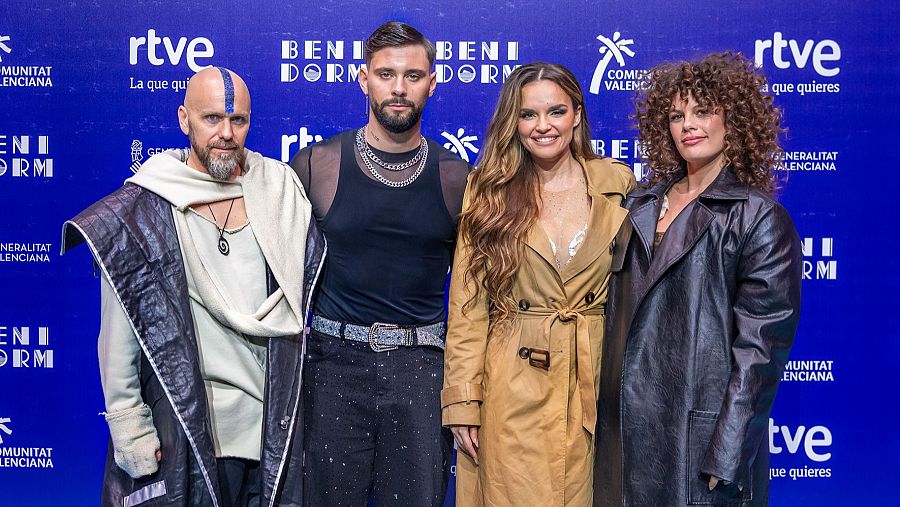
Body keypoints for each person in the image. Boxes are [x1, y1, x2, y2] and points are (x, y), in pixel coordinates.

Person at [62, 67, 323, 507]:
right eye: (211, 119)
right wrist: (129, 425)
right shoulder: (142, 209)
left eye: (238, 120)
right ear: (184, 119)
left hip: (270, 434)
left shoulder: (278, 194)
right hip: (185, 430)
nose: (226, 133)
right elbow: (119, 331)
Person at [594, 51, 802, 506]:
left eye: (703, 111)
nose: (688, 124)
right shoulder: (638, 205)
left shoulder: (758, 217)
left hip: (697, 450)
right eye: (676, 115)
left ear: (735, 119)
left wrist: (727, 455)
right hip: (623, 443)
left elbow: (759, 355)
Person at [289, 21, 470, 506]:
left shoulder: (456, 178)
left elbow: (478, 296)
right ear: (363, 78)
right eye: (386, 74)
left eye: (412, 76)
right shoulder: (315, 165)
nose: (398, 88)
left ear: (432, 82)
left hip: (423, 371)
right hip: (332, 369)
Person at [442, 62, 636, 506]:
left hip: (595, 379)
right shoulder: (488, 191)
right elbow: (468, 308)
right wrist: (462, 402)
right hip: (513, 382)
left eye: (556, 111)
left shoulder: (619, 185)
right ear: (514, 122)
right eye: (529, 115)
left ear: (577, 115)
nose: (543, 126)